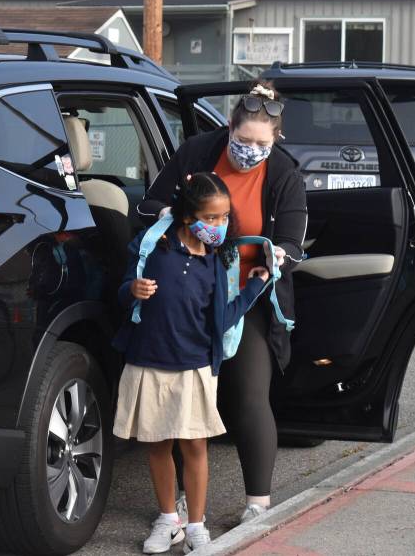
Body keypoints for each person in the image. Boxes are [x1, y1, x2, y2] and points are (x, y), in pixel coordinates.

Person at [137, 80, 308, 524]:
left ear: (276, 141)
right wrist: (172, 217)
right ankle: (172, 509)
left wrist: (274, 262)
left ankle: (258, 505)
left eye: (261, 144)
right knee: (177, 395)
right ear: (229, 127)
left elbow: (292, 241)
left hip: (245, 295)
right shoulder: (198, 151)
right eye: (243, 140)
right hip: (186, 290)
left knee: (248, 393)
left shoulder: (284, 174)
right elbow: (153, 199)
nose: (250, 150)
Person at [113, 172, 270, 553]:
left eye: (223, 218)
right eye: (211, 218)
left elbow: (223, 317)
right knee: (156, 444)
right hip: (148, 359)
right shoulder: (155, 244)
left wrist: (254, 286)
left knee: (195, 447)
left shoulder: (218, 261)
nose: (218, 226)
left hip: (194, 365)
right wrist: (132, 291)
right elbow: (119, 290)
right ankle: (169, 519)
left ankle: (196, 524)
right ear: (187, 217)